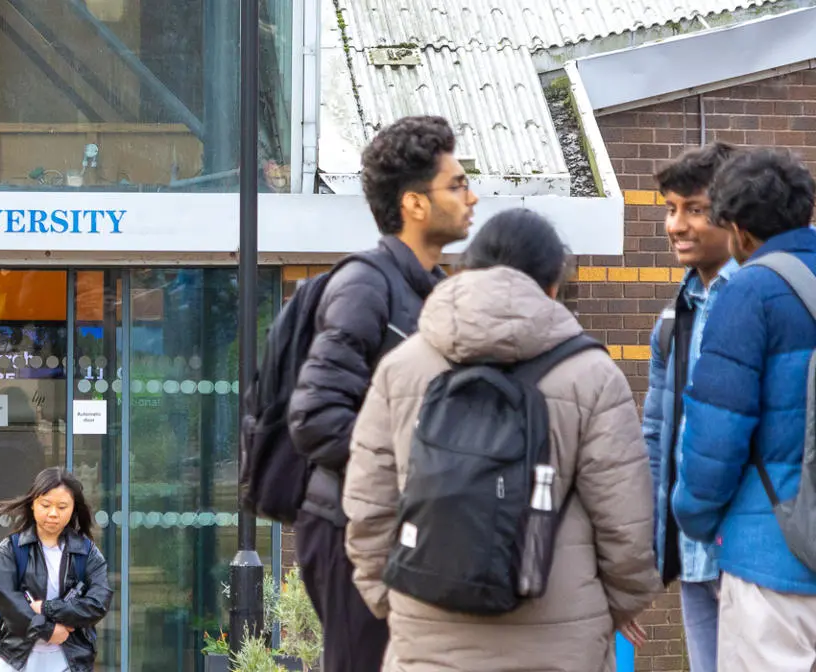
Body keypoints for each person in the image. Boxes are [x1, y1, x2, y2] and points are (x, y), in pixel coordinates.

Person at [343, 209, 662, 670]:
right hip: (562, 646)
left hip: (427, 641)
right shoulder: (592, 376)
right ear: (553, 286)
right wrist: (596, 616)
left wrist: (396, 603)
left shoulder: (402, 366)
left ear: (466, 270)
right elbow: (628, 531)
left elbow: (366, 510)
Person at [287, 114, 475, 671]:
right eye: (457, 183)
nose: (472, 196)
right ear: (415, 204)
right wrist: (414, 468)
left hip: (405, 526)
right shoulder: (365, 286)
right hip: (349, 530)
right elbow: (315, 416)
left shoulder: (434, 289)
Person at [673, 148, 816, 670]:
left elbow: (717, 431)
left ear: (737, 231)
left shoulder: (749, 290)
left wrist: (693, 515)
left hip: (772, 552)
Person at [641, 141, 739, 671]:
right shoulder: (672, 319)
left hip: (757, 555)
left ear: (734, 215)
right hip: (694, 552)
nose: (677, 225)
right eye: (670, 209)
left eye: (695, 210)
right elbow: (656, 438)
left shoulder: (765, 301)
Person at [0, 467, 112, 672]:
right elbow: (9, 603)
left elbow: (98, 603)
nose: (53, 513)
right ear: (33, 504)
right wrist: (48, 630)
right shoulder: (10, 549)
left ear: (73, 509)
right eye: (46, 505)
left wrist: (46, 608)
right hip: (17, 659)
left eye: (62, 507)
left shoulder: (87, 552)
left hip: (70, 660)